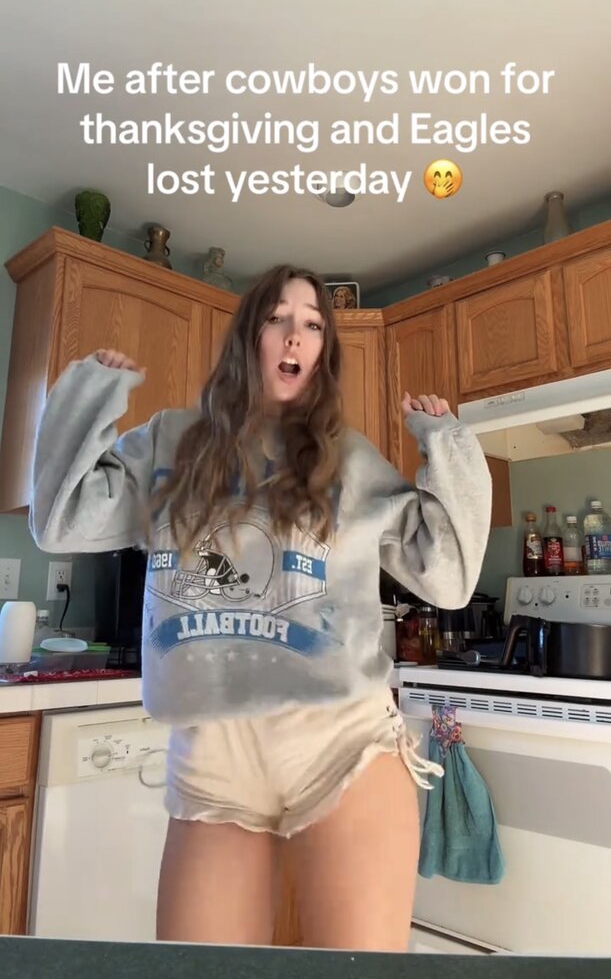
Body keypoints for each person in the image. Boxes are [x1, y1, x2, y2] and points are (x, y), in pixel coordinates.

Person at [29, 264, 492, 952]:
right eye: (278, 316)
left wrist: (446, 444)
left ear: (322, 352)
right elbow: (59, 520)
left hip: (342, 744)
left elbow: (447, 577)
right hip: (213, 753)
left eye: (312, 324)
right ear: (250, 335)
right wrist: (90, 395)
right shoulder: (169, 441)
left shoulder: (349, 460)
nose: (294, 334)